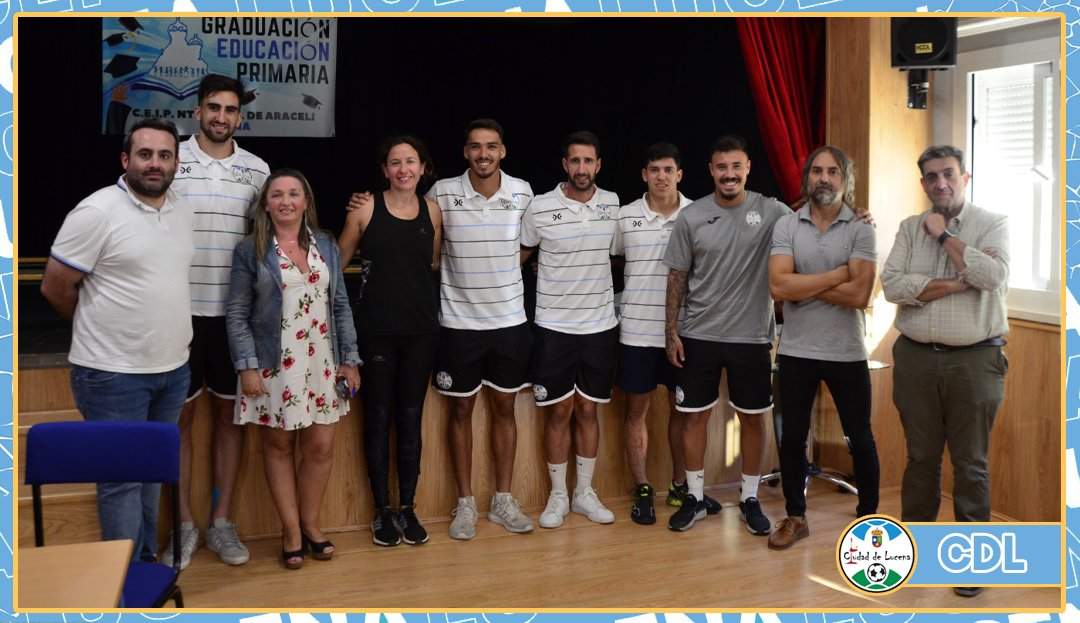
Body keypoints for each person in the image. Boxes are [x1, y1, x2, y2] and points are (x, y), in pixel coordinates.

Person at [40, 118, 193, 562]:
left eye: (165, 155)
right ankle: (122, 583)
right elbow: (55, 287)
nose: (155, 164)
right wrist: (99, 327)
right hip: (112, 376)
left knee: (148, 475)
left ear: (175, 164)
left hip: (171, 371)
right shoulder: (96, 212)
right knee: (122, 480)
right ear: (125, 159)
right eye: (145, 154)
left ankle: (142, 566)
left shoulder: (182, 209)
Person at [881, 145, 1009, 598]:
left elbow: (992, 277)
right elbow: (893, 285)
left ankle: (971, 564)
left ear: (965, 176)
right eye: (931, 177)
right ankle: (914, 553)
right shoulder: (906, 227)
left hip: (974, 359)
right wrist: (957, 283)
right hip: (915, 357)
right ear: (923, 183)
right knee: (920, 460)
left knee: (970, 463)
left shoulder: (991, 222)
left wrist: (943, 238)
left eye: (948, 174)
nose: (940, 183)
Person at [225, 169, 361, 569]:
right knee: (279, 447)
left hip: (322, 362)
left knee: (320, 447)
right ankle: (290, 531)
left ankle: (312, 523)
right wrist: (247, 367)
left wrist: (349, 360)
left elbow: (339, 306)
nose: (286, 201)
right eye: (277, 194)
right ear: (266, 203)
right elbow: (236, 314)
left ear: (306, 201)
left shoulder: (327, 245)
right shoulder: (250, 250)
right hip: (273, 365)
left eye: (294, 194)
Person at [164, 73, 270, 570]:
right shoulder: (171, 160)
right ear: (198, 111)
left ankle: (221, 523)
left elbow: (265, 244)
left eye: (230, 110)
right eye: (213, 108)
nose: (221, 117)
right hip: (177, 315)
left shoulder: (257, 171)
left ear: (239, 117)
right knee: (179, 424)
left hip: (234, 319)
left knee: (233, 422)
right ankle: (183, 527)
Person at [663, 135, 788, 534]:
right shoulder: (692, 216)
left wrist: (856, 218)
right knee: (693, 418)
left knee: (752, 420)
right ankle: (696, 498)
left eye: (736, 167)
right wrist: (671, 330)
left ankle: (749, 497)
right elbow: (677, 275)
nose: (729, 174)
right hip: (699, 334)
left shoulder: (771, 211)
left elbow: (815, 220)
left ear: (748, 168)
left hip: (751, 337)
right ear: (711, 171)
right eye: (721, 167)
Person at [425, 119, 536, 540]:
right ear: (465, 152)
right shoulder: (442, 193)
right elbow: (430, 247)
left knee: (505, 409)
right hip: (457, 324)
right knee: (460, 412)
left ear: (503, 151)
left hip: (509, 323)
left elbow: (530, 242)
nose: (483, 154)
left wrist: (508, 264)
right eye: (475, 147)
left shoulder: (523, 192)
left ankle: (503, 500)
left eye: (491, 147)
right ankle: (465, 504)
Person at [766, 145, 880, 549]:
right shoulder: (787, 225)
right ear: (807, 178)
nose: (824, 178)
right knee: (792, 437)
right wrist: (836, 274)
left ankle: (869, 516)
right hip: (796, 349)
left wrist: (805, 283)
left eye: (833, 171)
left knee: (859, 437)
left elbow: (861, 293)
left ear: (845, 179)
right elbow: (779, 286)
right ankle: (795, 518)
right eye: (817, 171)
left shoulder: (861, 228)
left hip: (847, 351)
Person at [339, 136, 441, 547]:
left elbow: (431, 263)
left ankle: (408, 509)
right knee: (378, 419)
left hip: (420, 332)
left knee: (410, 420)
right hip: (375, 332)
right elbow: (336, 264)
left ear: (422, 168)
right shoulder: (364, 208)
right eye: (395, 162)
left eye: (410, 161)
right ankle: (381, 511)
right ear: (385, 170)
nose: (403, 169)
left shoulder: (433, 211)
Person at [611, 142, 720, 524]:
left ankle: (680, 485)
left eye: (667, 170)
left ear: (680, 175)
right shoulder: (624, 217)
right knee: (636, 411)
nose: (660, 176)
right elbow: (616, 257)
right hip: (637, 333)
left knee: (683, 410)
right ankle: (642, 488)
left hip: (685, 333)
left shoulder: (700, 214)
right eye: (653, 169)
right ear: (644, 175)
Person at [521, 130, 620, 529]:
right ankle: (559, 495)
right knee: (559, 410)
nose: (582, 168)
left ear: (598, 165)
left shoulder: (613, 204)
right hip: (553, 326)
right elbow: (522, 255)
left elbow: (620, 256)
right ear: (565, 165)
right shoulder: (540, 206)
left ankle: (584, 493)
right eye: (574, 161)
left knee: (588, 410)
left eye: (589, 161)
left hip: (600, 327)